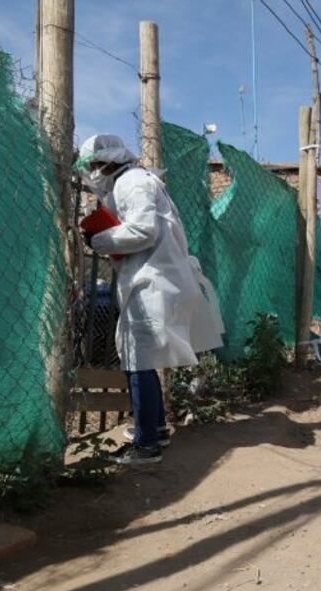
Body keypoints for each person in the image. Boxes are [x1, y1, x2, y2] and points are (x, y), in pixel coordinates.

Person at [76, 134, 224, 465]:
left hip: (154, 283)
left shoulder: (132, 182)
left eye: (94, 165)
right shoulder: (128, 183)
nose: (93, 172)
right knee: (140, 358)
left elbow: (144, 231)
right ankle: (154, 430)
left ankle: (146, 446)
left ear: (109, 160)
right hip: (152, 280)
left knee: (137, 359)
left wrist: (99, 239)